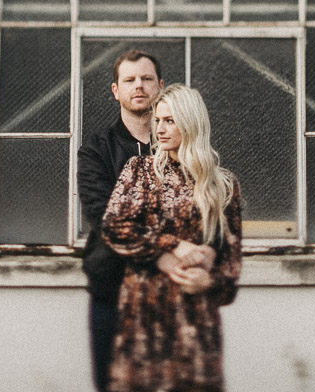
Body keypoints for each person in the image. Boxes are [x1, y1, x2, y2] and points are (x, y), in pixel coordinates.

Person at [100, 84, 243, 392]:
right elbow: (114, 226)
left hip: (194, 322)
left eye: (170, 121)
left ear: (190, 123)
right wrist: (172, 247)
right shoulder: (140, 171)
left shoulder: (223, 186)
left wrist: (211, 282)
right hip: (143, 317)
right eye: (157, 120)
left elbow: (230, 266)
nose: (159, 129)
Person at [78, 49, 185, 391]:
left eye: (146, 79)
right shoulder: (96, 150)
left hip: (172, 294)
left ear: (161, 86)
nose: (138, 86)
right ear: (116, 91)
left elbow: (195, 216)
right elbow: (105, 217)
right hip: (114, 290)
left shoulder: (182, 148)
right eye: (130, 80)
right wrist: (161, 252)